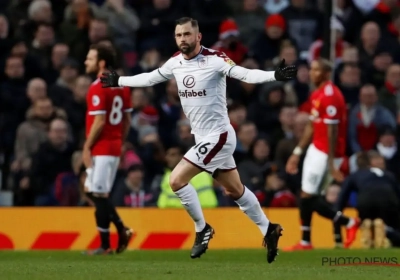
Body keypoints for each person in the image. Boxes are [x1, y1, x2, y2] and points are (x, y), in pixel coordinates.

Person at [100, 17, 297, 263]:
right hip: (204, 137)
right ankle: (269, 229)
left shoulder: (215, 59)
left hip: (219, 135)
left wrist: (273, 76)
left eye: (187, 34)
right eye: (179, 35)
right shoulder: (175, 62)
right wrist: (119, 81)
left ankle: (202, 228)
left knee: (176, 179)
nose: (183, 39)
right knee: (234, 190)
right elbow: (151, 78)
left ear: (198, 36)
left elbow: (243, 73)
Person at [285, 58, 359, 251]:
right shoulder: (316, 93)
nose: (311, 73)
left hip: (327, 153)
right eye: (311, 69)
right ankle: (306, 241)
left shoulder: (331, 96)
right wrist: (297, 152)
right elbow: (311, 125)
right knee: (308, 196)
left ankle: (349, 223)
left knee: (307, 197)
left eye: (316, 70)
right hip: (316, 148)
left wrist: (332, 164)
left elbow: (333, 131)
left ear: (326, 73)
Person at [82, 43, 133, 255]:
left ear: (101, 63)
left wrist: (87, 146)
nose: (86, 61)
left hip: (102, 147)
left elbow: (100, 121)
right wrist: (120, 141)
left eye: (90, 58)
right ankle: (120, 230)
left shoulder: (97, 86)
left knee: (99, 194)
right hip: (113, 145)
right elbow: (127, 119)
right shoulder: (122, 85)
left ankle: (107, 243)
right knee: (93, 191)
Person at [336, 151, 400, 248]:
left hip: (365, 203)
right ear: (369, 162)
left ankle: (366, 225)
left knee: (366, 217)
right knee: (393, 226)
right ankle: (387, 231)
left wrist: (338, 236)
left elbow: (342, 198)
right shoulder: (389, 175)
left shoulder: (356, 174)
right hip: (388, 203)